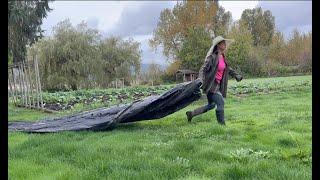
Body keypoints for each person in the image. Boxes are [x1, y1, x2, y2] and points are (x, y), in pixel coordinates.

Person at [186, 36, 243, 125]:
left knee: (211, 105)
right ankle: (222, 126)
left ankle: (191, 114)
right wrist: (200, 78)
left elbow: (227, 68)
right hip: (211, 85)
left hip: (218, 85)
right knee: (220, 103)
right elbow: (203, 69)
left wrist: (236, 75)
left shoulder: (222, 57)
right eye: (223, 43)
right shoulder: (212, 57)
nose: (225, 45)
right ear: (218, 45)